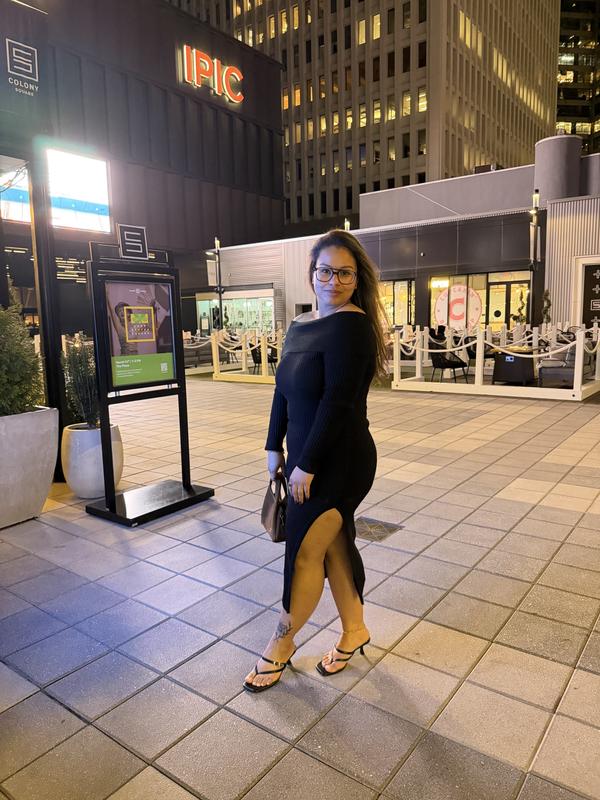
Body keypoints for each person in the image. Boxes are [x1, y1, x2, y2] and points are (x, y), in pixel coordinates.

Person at [243, 229, 389, 692]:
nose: (334, 281)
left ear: (357, 278)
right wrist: (274, 445)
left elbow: (337, 402)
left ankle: (280, 645)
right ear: (312, 274)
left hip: (339, 461)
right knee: (334, 546)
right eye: (326, 271)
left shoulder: (353, 327)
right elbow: (283, 389)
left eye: (345, 273)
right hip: (303, 458)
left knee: (305, 552)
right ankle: (355, 629)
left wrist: (305, 464)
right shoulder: (300, 325)